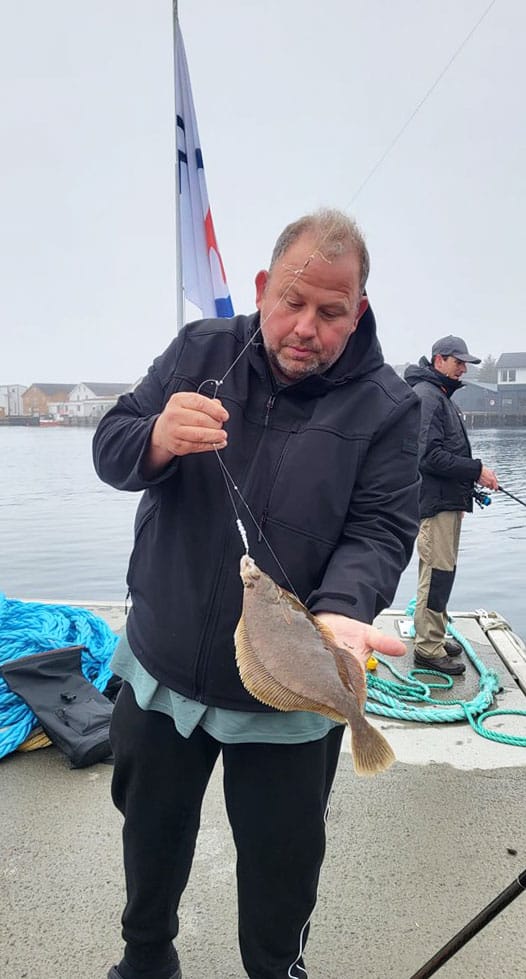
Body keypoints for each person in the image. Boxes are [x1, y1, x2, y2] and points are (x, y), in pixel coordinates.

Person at [93, 208, 421, 979]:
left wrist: (343, 611)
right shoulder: (200, 350)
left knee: (283, 861)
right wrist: (155, 439)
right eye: (292, 303)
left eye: (332, 312)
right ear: (263, 287)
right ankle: (146, 959)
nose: (306, 326)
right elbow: (113, 446)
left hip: (291, 692)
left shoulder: (389, 407)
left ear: (359, 311)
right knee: (149, 831)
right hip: (164, 663)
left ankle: (276, 968)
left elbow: (378, 530)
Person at [404, 335, 499, 676]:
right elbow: (427, 456)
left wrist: (463, 489)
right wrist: (477, 471)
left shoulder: (441, 395)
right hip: (434, 503)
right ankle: (428, 648)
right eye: (458, 362)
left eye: (466, 363)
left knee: (442, 571)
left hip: (448, 501)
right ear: (439, 359)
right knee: (437, 572)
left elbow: (446, 453)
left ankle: (436, 634)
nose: (463, 369)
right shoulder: (427, 396)